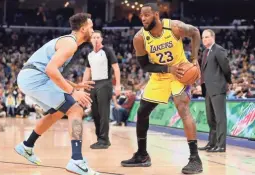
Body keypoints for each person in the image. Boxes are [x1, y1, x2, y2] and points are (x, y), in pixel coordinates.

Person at [120, 3, 203, 174]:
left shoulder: (174, 27)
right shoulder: (139, 38)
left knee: (183, 108)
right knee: (142, 112)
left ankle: (195, 159)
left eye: (147, 15)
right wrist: (166, 69)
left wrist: (194, 59)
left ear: (156, 15)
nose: (143, 18)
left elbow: (195, 32)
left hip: (180, 72)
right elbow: (144, 65)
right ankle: (142, 155)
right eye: (141, 16)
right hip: (160, 75)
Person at [14, 13, 100, 175]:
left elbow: (53, 71)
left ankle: (27, 145)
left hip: (33, 77)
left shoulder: (69, 42)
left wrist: (76, 84)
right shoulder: (70, 44)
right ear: (83, 29)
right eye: (91, 27)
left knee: (58, 112)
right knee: (76, 109)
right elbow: (50, 70)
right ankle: (76, 160)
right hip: (36, 78)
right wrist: (73, 92)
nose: (93, 30)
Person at [83, 30, 121, 149]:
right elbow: (87, 71)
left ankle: (104, 140)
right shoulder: (90, 54)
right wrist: (83, 86)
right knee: (95, 113)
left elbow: (116, 68)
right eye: (93, 37)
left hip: (105, 83)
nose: (96, 39)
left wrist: (118, 85)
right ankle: (100, 138)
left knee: (104, 113)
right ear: (91, 40)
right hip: (93, 84)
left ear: (101, 39)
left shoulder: (107, 51)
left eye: (98, 37)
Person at [198, 29, 232, 152]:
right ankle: (212, 143)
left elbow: (226, 68)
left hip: (218, 88)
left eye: (207, 37)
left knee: (220, 118)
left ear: (213, 37)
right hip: (207, 89)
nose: (204, 39)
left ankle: (221, 145)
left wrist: (228, 81)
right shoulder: (206, 52)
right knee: (210, 118)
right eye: (203, 37)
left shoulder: (219, 50)